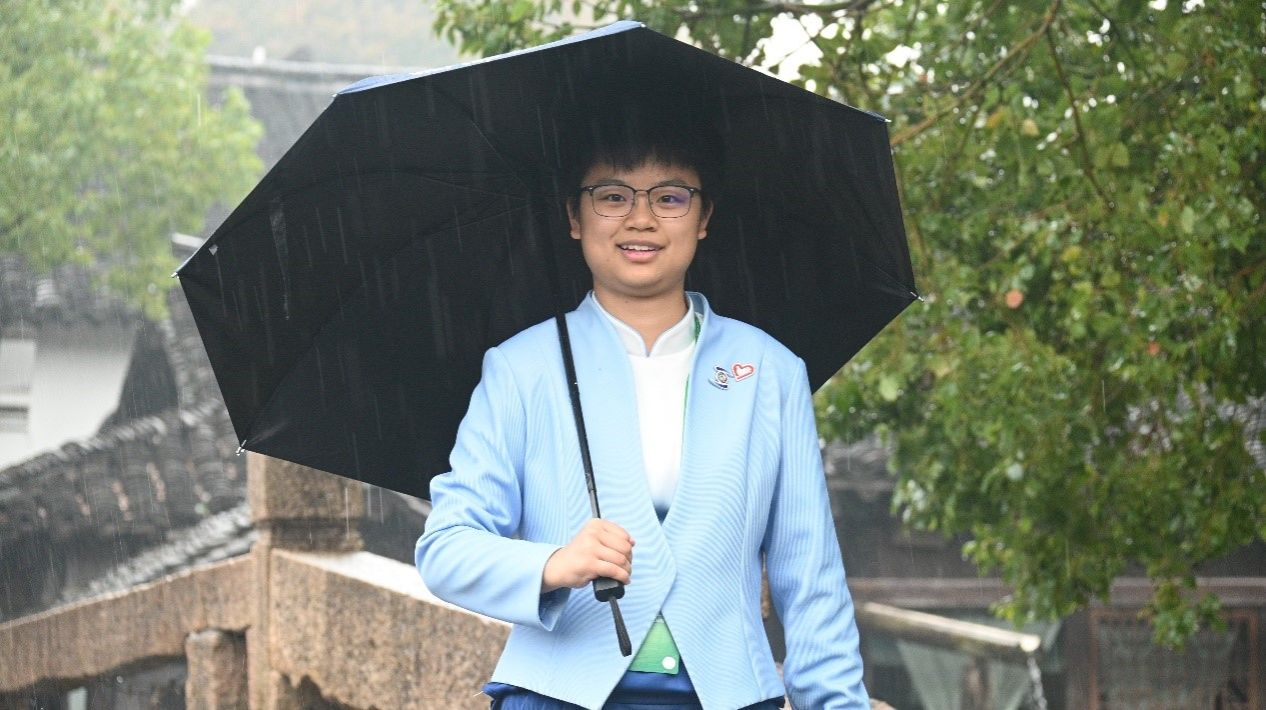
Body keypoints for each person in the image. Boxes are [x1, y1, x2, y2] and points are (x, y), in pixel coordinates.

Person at [415, 109, 870, 709]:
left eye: (670, 197)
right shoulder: (521, 367)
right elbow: (446, 547)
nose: (641, 218)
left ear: (704, 218)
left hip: (729, 696)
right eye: (612, 196)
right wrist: (553, 563)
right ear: (574, 217)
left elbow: (810, 579)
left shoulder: (769, 370)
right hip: (557, 696)